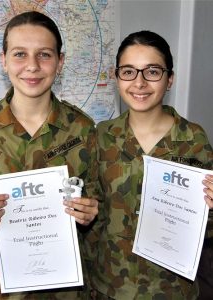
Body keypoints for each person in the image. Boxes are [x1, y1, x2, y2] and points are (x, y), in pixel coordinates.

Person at [0, 11, 99, 299]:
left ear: (60, 62)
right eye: (20, 54)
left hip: (63, 286)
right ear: (3, 60)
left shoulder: (82, 128)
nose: (32, 66)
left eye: (45, 55)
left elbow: (97, 194)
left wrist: (89, 210)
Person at [85, 30, 213, 299]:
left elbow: (204, 225)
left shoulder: (194, 139)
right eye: (129, 71)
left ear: (169, 80)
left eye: (152, 71)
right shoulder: (102, 136)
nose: (139, 83)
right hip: (110, 285)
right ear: (117, 78)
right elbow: (93, 212)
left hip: (171, 288)